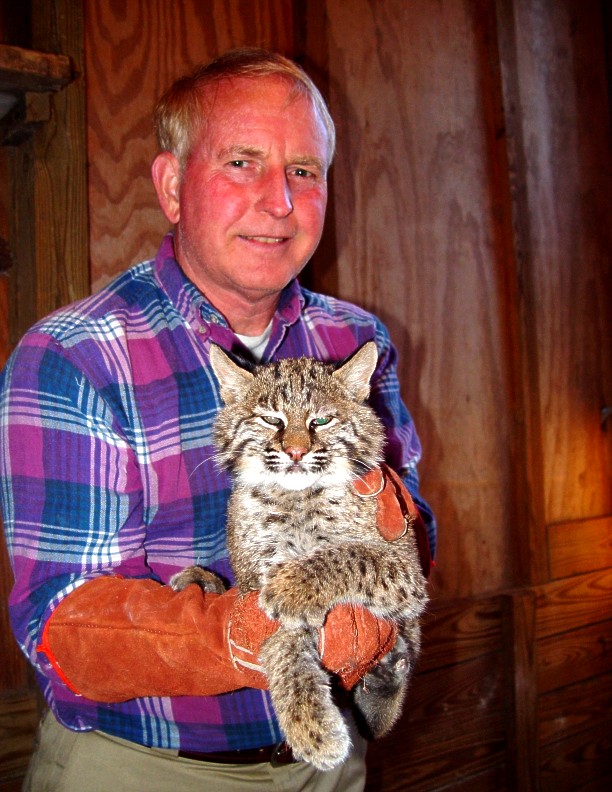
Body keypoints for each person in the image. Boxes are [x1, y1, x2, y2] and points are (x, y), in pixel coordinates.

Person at [0, 48, 435, 792]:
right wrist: (244, 633)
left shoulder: (357, 340)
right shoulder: (74, 355)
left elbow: (411, 522)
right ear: (172, 186)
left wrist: (392, 554)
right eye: (242, 163)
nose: (280, 201)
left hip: (331, 761)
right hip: (142, 766)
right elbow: (64, 624)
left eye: (304, 171)